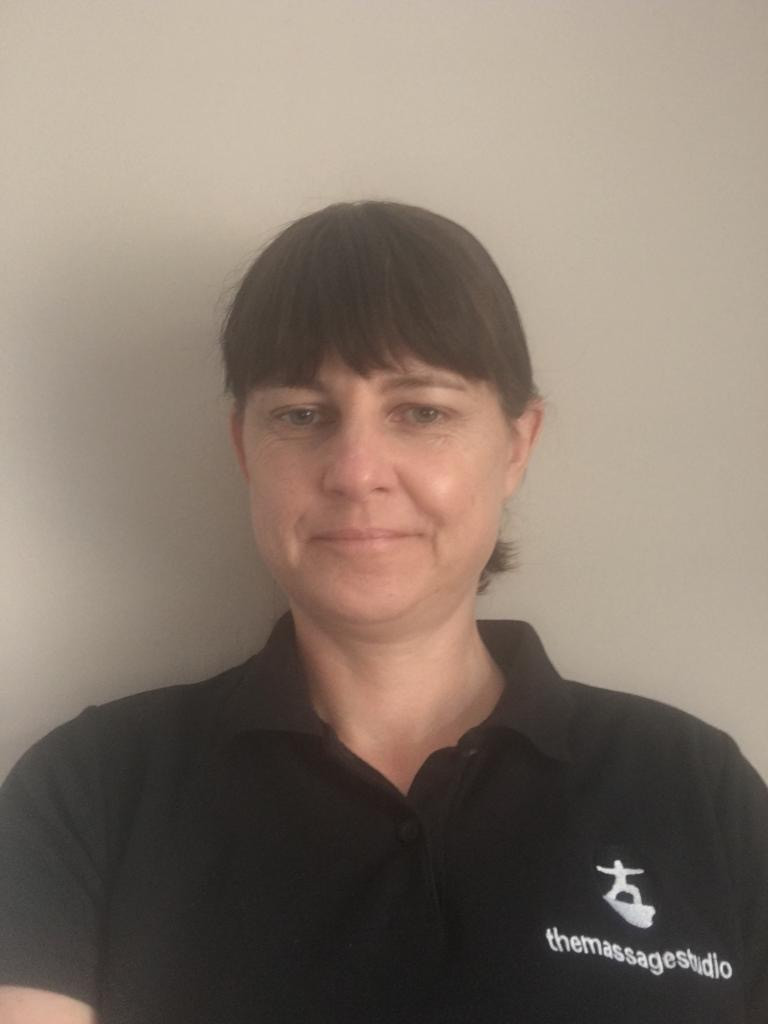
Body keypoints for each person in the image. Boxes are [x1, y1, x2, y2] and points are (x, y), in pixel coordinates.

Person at [0, 200, 766, 1024]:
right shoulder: (89, 794)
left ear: (516, 445)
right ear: (244, 448)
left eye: (422, 411)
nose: (356, 470)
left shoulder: (697, 788)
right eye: (302, 414)